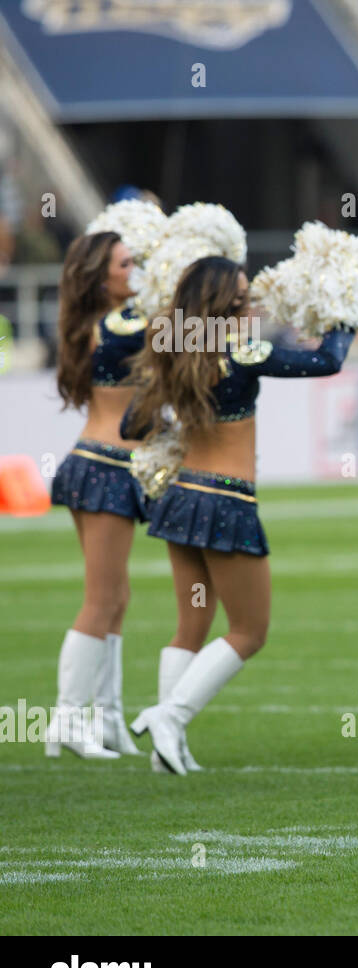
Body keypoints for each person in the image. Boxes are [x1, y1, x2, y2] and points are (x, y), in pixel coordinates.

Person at [123, 257, 356, 774]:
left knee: (190, 626)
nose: (252, 304)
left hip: (180, 496)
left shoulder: (173, 348)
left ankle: (168, 751)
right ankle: (170, 717)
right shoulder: (242, 350)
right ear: (224, 304)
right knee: (250, 631)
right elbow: (326, 363)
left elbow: (130, 425)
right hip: (226, 499)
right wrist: (347, 317)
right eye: (244, 296)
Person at [47, 232, 144, 759]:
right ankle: (66, 718)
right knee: (100, 599)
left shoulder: (110, 321)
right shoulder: (114, 325)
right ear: (100, 276)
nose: (135, 270)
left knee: (118, 598)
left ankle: (108, 719)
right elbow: (180, 333)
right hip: (104, 468)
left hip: (101, 465)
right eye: (125, 263)